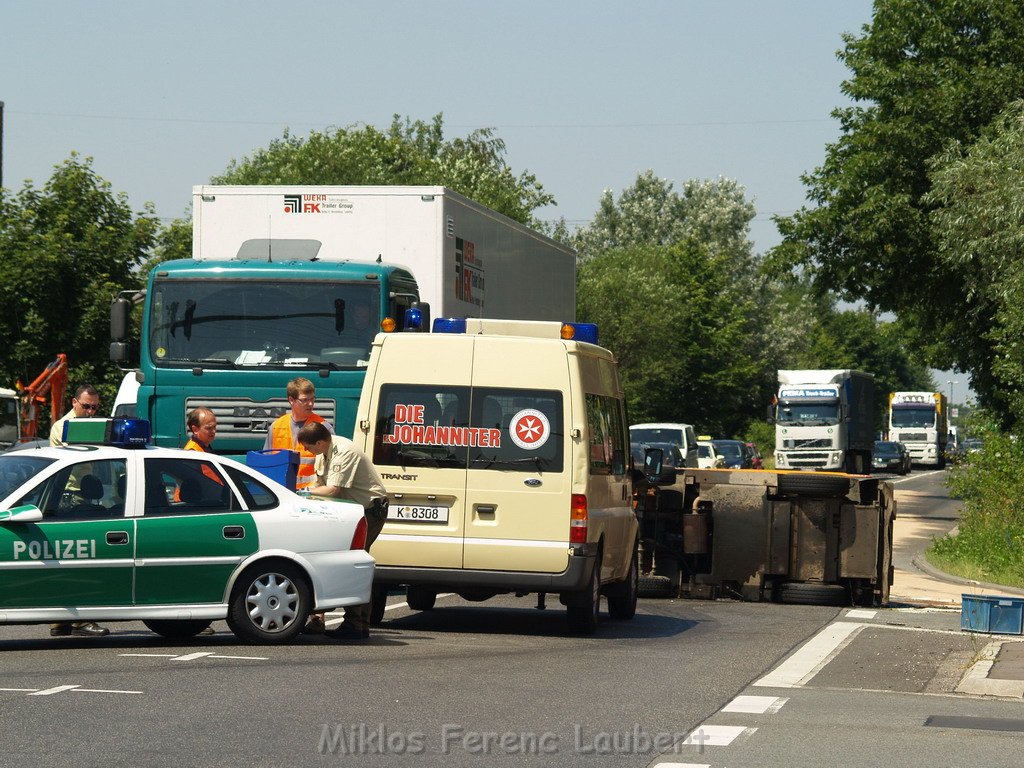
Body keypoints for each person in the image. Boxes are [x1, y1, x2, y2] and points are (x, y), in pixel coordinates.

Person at [298, 421, 388, 641]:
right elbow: (321, 486)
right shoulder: (323, 453)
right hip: (350, 512)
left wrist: (303, 493)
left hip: (370, 511)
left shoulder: (344, 451)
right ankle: (324, 620)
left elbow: (333, 489)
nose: (308, 452)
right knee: (340, 561)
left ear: (319, 442)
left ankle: (357, 624)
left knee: (356, 562)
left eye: (309, 447)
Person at [48, 384, 110, 638]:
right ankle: (79, 620)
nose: (91, 411)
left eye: (95, 407)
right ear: (74, 402)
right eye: (86, 406)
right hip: (69, 499)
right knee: (81, 561)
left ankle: (61, 619)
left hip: (82, 497)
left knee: (68, 561)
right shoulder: (65, 426)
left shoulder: (89, 424)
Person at [263, 378, 334, 490]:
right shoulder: (276, 426)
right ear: (291, 400)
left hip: (312, 493)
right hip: (281, 491)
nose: (310, 404)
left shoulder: (322, 427)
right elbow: (266, 462)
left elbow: (333, 464)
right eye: (304, 400)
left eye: (312, 399)